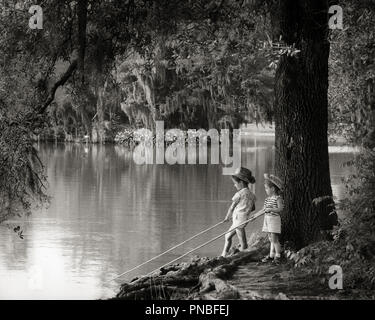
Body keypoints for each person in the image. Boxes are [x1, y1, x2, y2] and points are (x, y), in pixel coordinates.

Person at [221, 167, 256, 257]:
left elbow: (231, 207)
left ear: (240, 182)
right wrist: (245, 210)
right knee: (227, 236)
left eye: (235, 183)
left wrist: (227, 217)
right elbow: (253, 208)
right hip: (241, 220)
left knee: (242, 241)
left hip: (238, 220)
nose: (234, 185)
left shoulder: (239, 194)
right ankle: (223, 255)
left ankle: (245, 255)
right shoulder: (251, 195)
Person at [261, 173, 284, 265]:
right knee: (271, 239)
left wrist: (270, 209)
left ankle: (278, 255)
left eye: (266, 188)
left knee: (274, 239)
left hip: (274, 220)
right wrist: (253, 216)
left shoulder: (278, 198)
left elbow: (280, 209)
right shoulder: (267, 199)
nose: (265, 190)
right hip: (267, 220)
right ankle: (271, 255)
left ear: (273, 189)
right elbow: (263, 210)